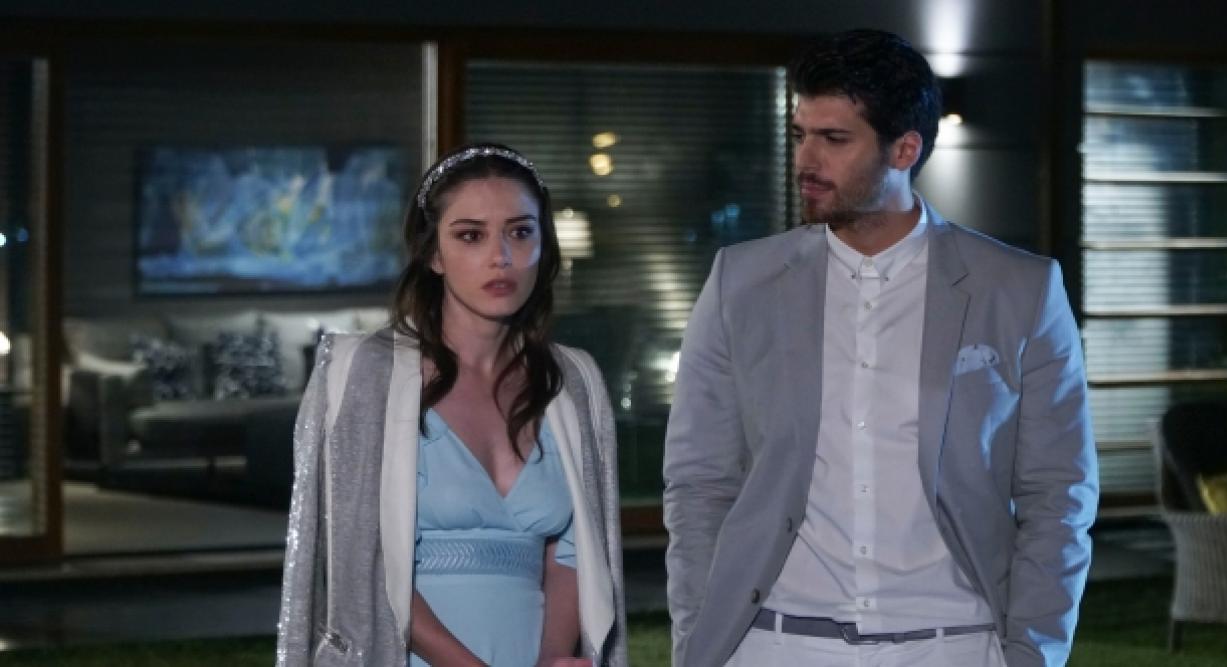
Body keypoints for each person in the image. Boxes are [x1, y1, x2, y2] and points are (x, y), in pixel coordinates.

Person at [663, 29, 1098, 667]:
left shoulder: (1019, 289)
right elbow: (699, 483)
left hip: (953, 644)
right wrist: (697, 643)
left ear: (905, 148)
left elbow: (1058, 495)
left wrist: (1032, 652)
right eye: (800, 134)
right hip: (774, 644)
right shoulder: (740, 282)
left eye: (834, 139)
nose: (806, 159)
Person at [277, 143, 628, 666]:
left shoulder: (573, 381)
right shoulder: (365, 375)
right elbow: (358, 560)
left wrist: (550, 660)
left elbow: (578, 552)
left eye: (520, 232)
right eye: (471, 235)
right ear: (434, 254)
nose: (501, 256)